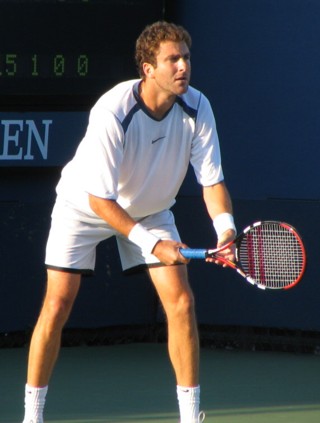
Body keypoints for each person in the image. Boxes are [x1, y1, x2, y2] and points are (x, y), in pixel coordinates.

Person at [22, 21, 236, 423]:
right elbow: (100, 199)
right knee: (57, 304)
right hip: (84, 207)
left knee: (182, 301)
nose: (182, 67)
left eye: (186, 58)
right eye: (172, 59)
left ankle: (190, 417)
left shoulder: (198, 106)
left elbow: (213, 182)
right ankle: (32, 417)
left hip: (151, 209)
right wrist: (154, 245)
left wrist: (225, 229)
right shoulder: (112, 111)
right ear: (147, 69)